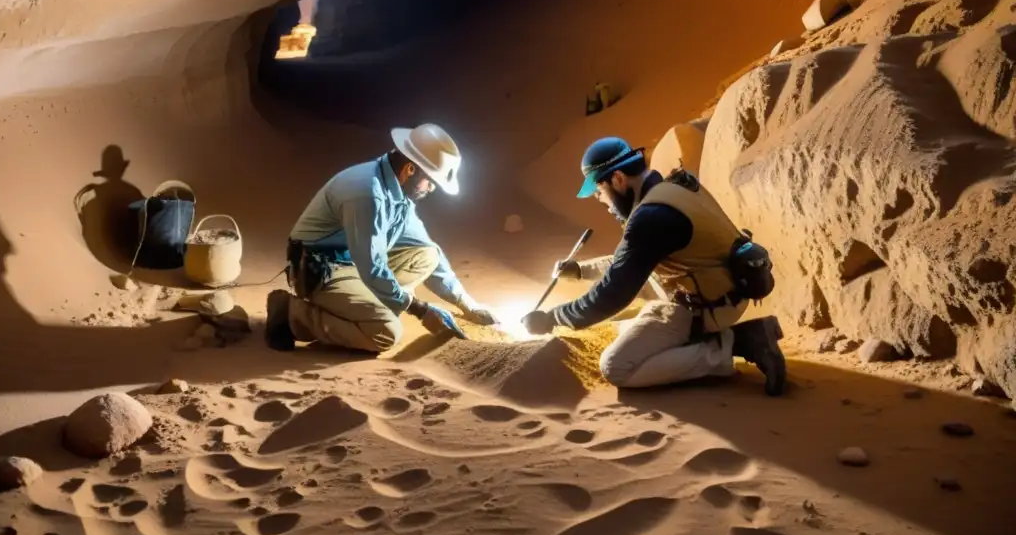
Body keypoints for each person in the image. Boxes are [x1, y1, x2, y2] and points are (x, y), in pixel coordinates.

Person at [521, 136, 787, 395]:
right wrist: (580, 270)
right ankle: (698, 337)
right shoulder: (671, 188)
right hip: (723, 286)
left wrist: (552, 318)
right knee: (628, 318)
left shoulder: (651, 218)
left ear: (618, 179)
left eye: (600, 192)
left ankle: (734, 343)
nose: (602, 202)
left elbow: (613, 293)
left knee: (616, 366)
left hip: (710, 305)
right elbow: (632, 261)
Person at [266, 124, 497, 354]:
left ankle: (366, 308)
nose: (431, 189)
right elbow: (372, 267)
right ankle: (293, 315)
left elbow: (426, 249)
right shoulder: (367, 193)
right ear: (410, 169)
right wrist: (419, 309)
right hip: (322, 269)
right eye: (431, 181)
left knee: (428, 255)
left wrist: (466, 303)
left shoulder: (399, 195)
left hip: (355, 264)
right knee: (386, 332)